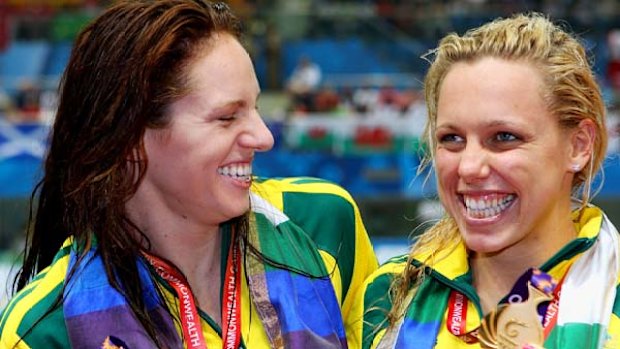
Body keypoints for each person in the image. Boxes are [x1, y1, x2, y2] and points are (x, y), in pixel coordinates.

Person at [0, 1, 378, 348]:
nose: (263, 137)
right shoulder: (44, 330)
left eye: (256, 107)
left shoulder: (323, 222)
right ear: (130, 137)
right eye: (227, 117)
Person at [349, 13, 619, 349]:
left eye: (504, 137)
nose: (469, 167)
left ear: (578, 146)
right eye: (452, 138)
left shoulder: (613, 297)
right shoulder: (387, 295)